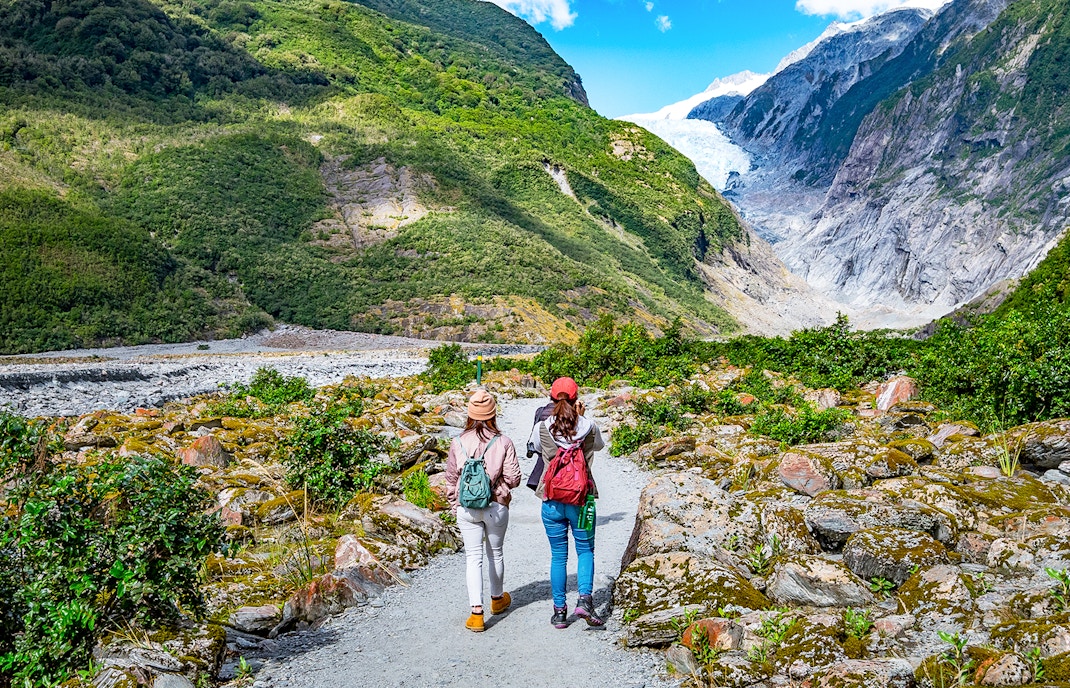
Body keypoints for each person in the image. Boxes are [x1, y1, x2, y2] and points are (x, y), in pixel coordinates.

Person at [530, 377, 605, 629]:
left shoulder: (543, 426)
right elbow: (600, 446)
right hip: (583, 498)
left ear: (551, 399)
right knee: (585, 550)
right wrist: (582, 418)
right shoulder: (589, 426)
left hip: (551, 497)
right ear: (576, 399)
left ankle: (560, 612)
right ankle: (584, 600)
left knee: (558, 555)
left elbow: (536, 449)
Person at [445, 389, 522, 633]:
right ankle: (497, 600)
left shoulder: (457, 442)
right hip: (496, 505)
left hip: (467, 507)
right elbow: (514, 477)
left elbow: (450, 478)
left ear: (469, 414)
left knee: (473, 558)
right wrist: (502, 487)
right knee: (495, 553)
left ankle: (476, 614)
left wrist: (455, 503)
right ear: (493, 414)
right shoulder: (503, 441)